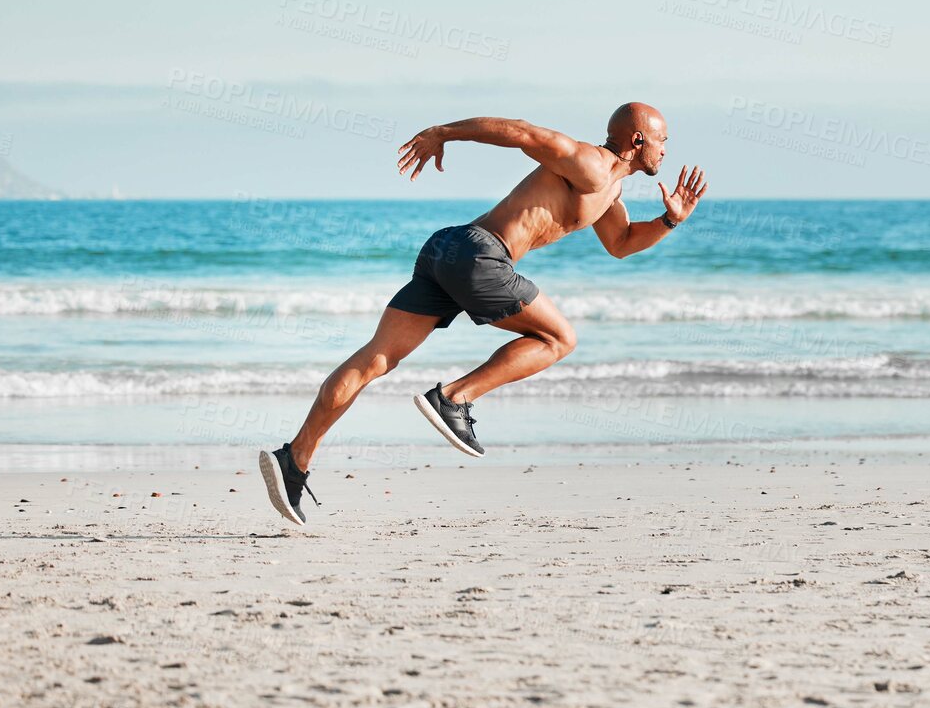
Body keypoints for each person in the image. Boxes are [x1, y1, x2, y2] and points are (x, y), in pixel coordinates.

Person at [259, 102, 707, 524]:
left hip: (448, 248)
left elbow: (622, 244)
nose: (666, 151)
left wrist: (670, 222)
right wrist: (443, 134)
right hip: (480, 255)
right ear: (637, 139)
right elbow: (523, 133)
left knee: (377, 358)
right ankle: (453, 398)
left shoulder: (610, 191)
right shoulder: (590, 164)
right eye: (662, 141)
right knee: (559, 339)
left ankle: (295, 459)